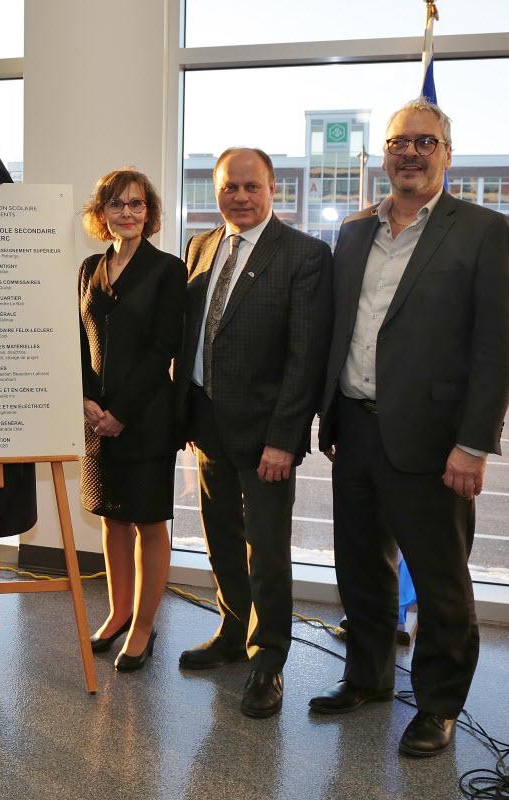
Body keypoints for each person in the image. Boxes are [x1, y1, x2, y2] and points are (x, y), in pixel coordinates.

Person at [309, 99, 509, 757]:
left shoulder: (483, 230)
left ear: (446, 154)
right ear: (384, 156)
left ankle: (438, 704)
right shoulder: (352, 231)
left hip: (436, 443)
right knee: (362, 571)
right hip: (358, 430)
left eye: (425, 143)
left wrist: (473, 442)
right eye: (400, 142)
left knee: (440, 580)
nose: (410, 153)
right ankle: (368, 678)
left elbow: (500, 345)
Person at [172, 147, 332, 718]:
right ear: (216, 191)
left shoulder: (305, 256)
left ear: (272, 191)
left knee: (266, 548)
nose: (239, 197)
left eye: (251, 187)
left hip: (267, 434)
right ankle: (233, 632)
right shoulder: (201, 246)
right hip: (208, 422)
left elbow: (305, 357)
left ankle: (269, 659)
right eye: (229, 187)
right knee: (219, 536)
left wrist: (284, 440)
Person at [77, 168, 186, 672]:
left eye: (136, 204)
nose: (127, 212)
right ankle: (118, 613)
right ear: (102, 214)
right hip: (95, 419)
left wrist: (121, 412)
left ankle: (143, 625)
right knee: (112, 518)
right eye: (117, 204)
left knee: (146, 521)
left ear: (150, 212)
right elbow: (80, 339)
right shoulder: (88, 268)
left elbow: (164, 347)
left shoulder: (167, 269)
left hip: (144, 417)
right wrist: (84, 399)